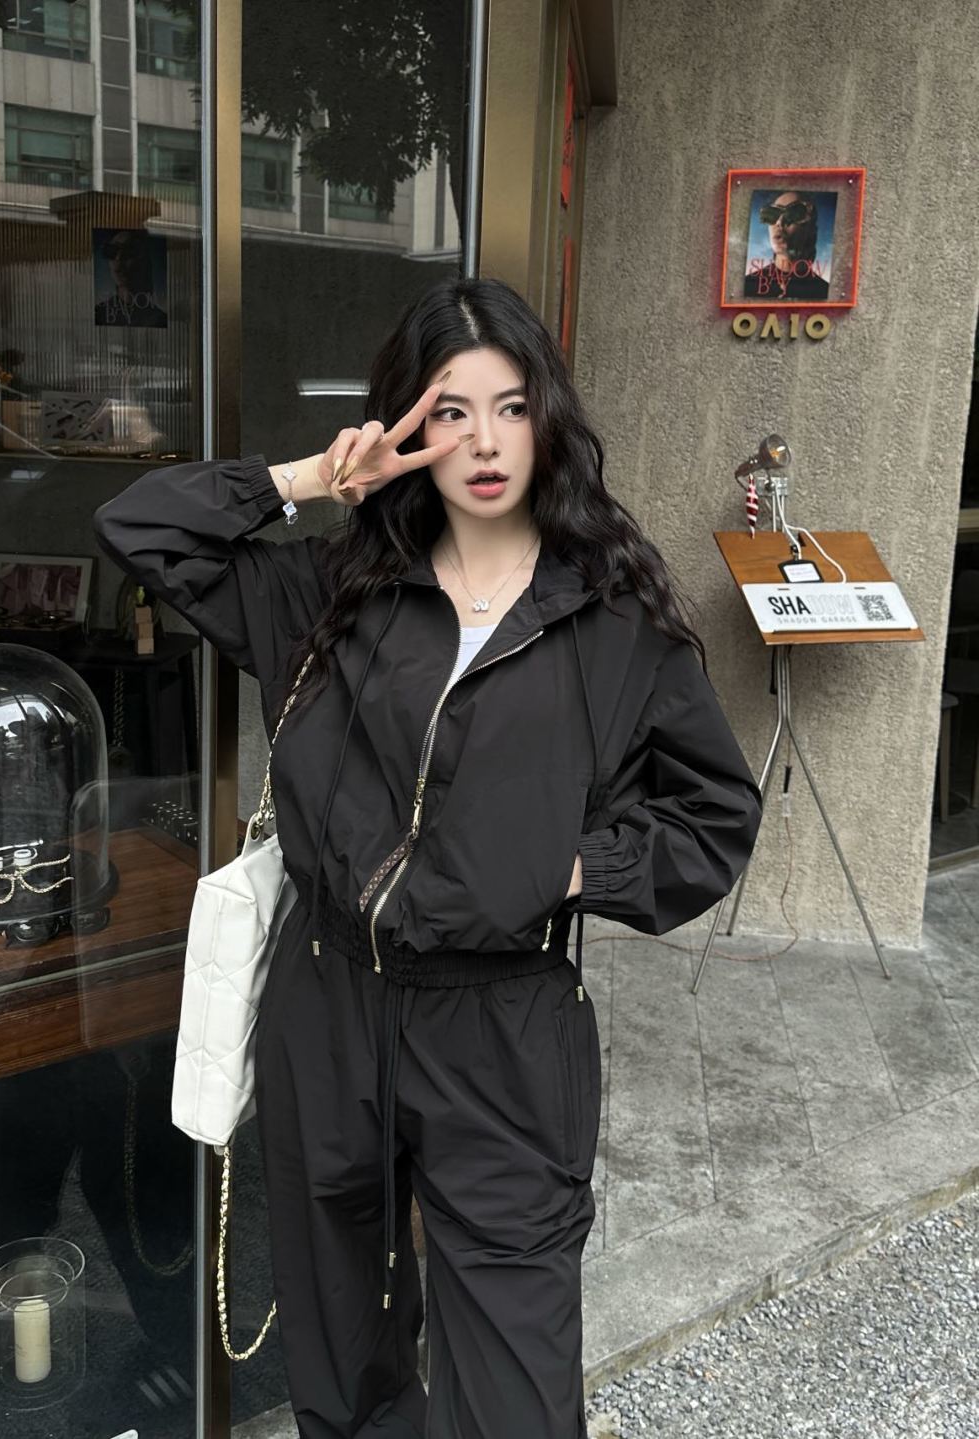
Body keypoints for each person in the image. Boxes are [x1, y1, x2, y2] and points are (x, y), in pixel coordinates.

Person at [93, 276, 762, 1439]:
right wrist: (310, 478)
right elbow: (141, 528)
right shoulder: (331, 592)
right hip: (327, 1007)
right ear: (408, 424)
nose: (485, 441)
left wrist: (569, 871)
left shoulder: (613, 619)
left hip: (503, 1031)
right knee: (345, 1373)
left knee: (515, 1388)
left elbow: (714, 817)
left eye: (511, 406)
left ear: (548, 418)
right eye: (451, 411)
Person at [743, 191, 831, 301]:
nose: (779, 222)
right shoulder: (747, 285)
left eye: (794, 214)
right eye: (772, 214)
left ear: (811, 230)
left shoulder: (825, 293)